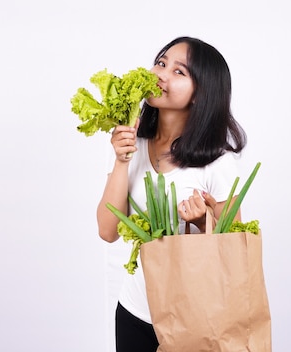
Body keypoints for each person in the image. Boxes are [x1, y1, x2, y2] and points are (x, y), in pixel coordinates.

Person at [96, 36, 247, 352]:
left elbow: (234, 255)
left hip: (193, 317)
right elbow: (107, 230)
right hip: (135, 309)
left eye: (179, 72)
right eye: (161, 63)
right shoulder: (133, 145)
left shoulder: (217, 163)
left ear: (201, 93)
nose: (161, 74)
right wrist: (122, 161)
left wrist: (203, 223)